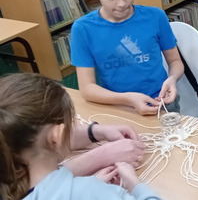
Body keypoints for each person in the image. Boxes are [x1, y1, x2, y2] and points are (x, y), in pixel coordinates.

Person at [0, 73, 161, 200]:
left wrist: (95, 132)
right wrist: (135, 186)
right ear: (58, 135)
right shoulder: (90, 191)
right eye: (70, 126)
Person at [70, 0, 184, 115]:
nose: (122, 3)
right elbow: (87, 89)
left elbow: (175, 62)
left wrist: (172, 79)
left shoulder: (155, 17)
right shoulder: (83, 29)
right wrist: (127, 99)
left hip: (161, 103)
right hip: (117, 107)